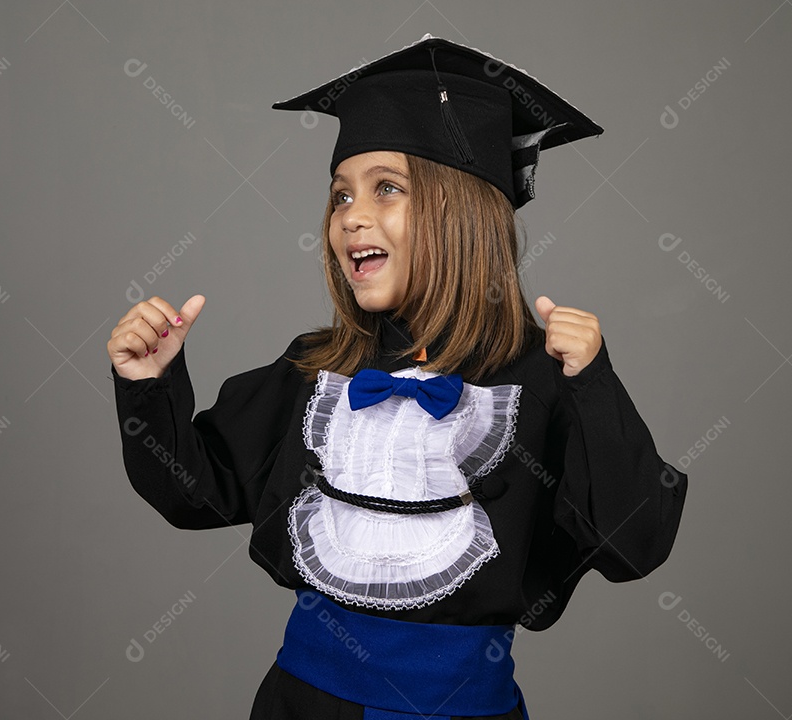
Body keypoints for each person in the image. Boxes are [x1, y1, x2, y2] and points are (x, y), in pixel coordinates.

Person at [108, 33, 688, 720]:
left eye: (386, 189)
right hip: (300, 704)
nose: (352, 216)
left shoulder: (543, 380)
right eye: (339, 196)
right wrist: (149, 385)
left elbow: (634, 543)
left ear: (463, 209)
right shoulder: (316, 369)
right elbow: (196, 494)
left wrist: (594, 382)